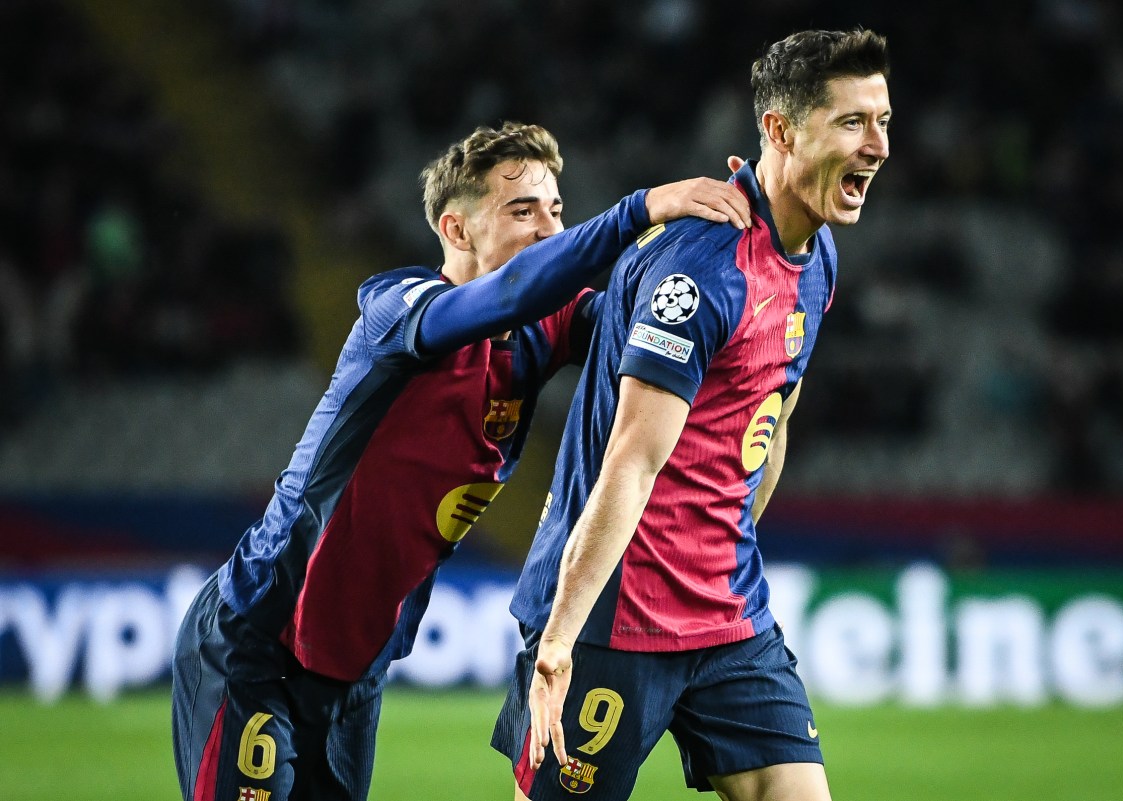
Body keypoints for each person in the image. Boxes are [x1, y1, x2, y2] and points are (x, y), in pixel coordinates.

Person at [170, 121, 752, 801]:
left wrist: (740, 221)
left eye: (556, 210)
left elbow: (646, 315)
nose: (549, 228)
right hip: (258, 640)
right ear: (456, 229)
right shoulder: (398, 312)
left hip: (353, 670)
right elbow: (509, 295)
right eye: (522, 210)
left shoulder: (546, 330)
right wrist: (640, 208)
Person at [491, 29, 892, 801]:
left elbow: (769, 424)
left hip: (729, 618)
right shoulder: (702, 270)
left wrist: (725, 554)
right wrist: (560, 640)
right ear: (779, 131)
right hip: (614, 619)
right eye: (852, 122)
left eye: (883, 121)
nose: (877, 145)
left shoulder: (818, 257)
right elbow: (631, 460)